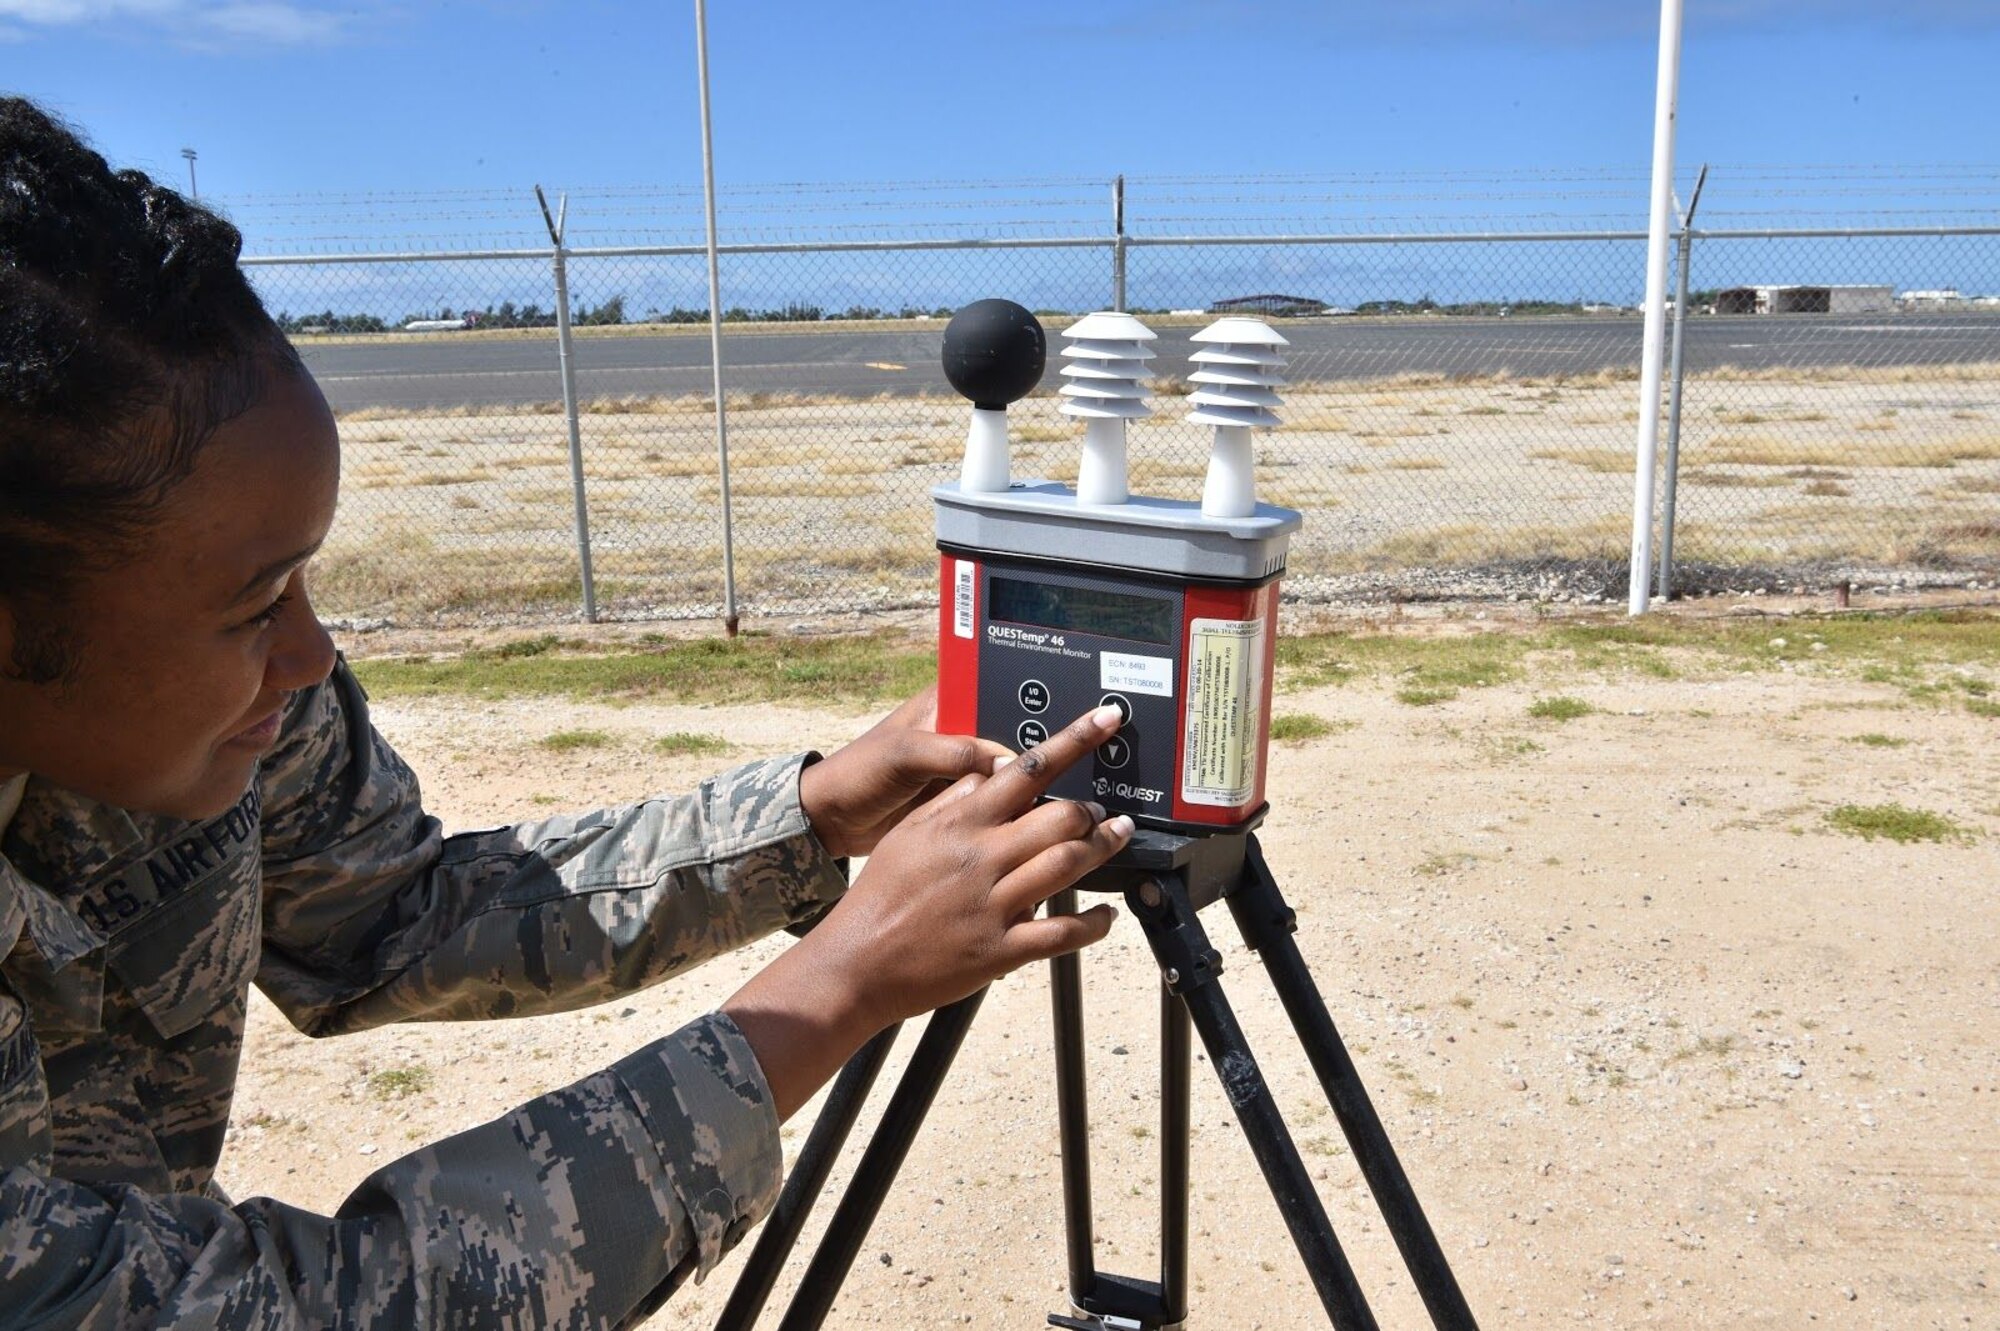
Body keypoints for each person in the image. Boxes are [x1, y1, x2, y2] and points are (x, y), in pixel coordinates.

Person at [0, 96, 1131, 1328]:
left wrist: (805, 816)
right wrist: (834, 989)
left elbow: (391, 912)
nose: (311, 652)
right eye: (256, 601)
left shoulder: (232, 702)